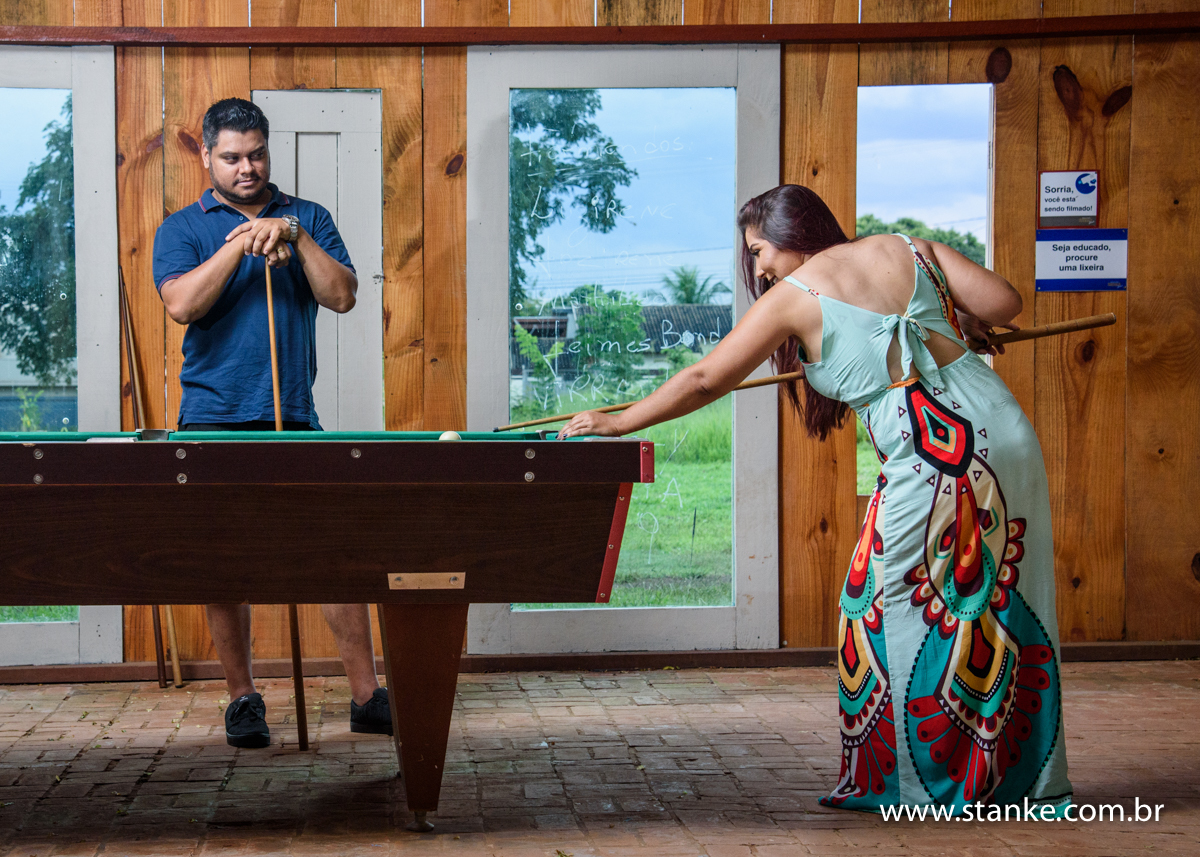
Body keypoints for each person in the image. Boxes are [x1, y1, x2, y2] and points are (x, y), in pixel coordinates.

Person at [559, 185, 1072, 815]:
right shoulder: (908, 248)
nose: (760, 267)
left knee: (884, 606)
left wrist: (620, 422)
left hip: (938, 455)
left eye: (759, 251)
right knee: (995, 602)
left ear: (788, 235)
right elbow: (1007, 302)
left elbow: (703, 378)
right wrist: (959, 322)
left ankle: (927, 785)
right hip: (1005, 435)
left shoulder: (794, 297)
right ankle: (1008, 779)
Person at [152, 98, 391, 749]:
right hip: (211, 420)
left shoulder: (307, 215)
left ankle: (369, 697)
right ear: (206, 156)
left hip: (294, 418)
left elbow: (341, 295)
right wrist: (242, 245)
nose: (246, 166)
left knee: (334, 557)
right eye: (232, 156)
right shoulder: (183, 227)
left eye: (256, 153)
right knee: (223, 565)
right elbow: (181, 305)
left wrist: (292, 235)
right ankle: (242, 698)